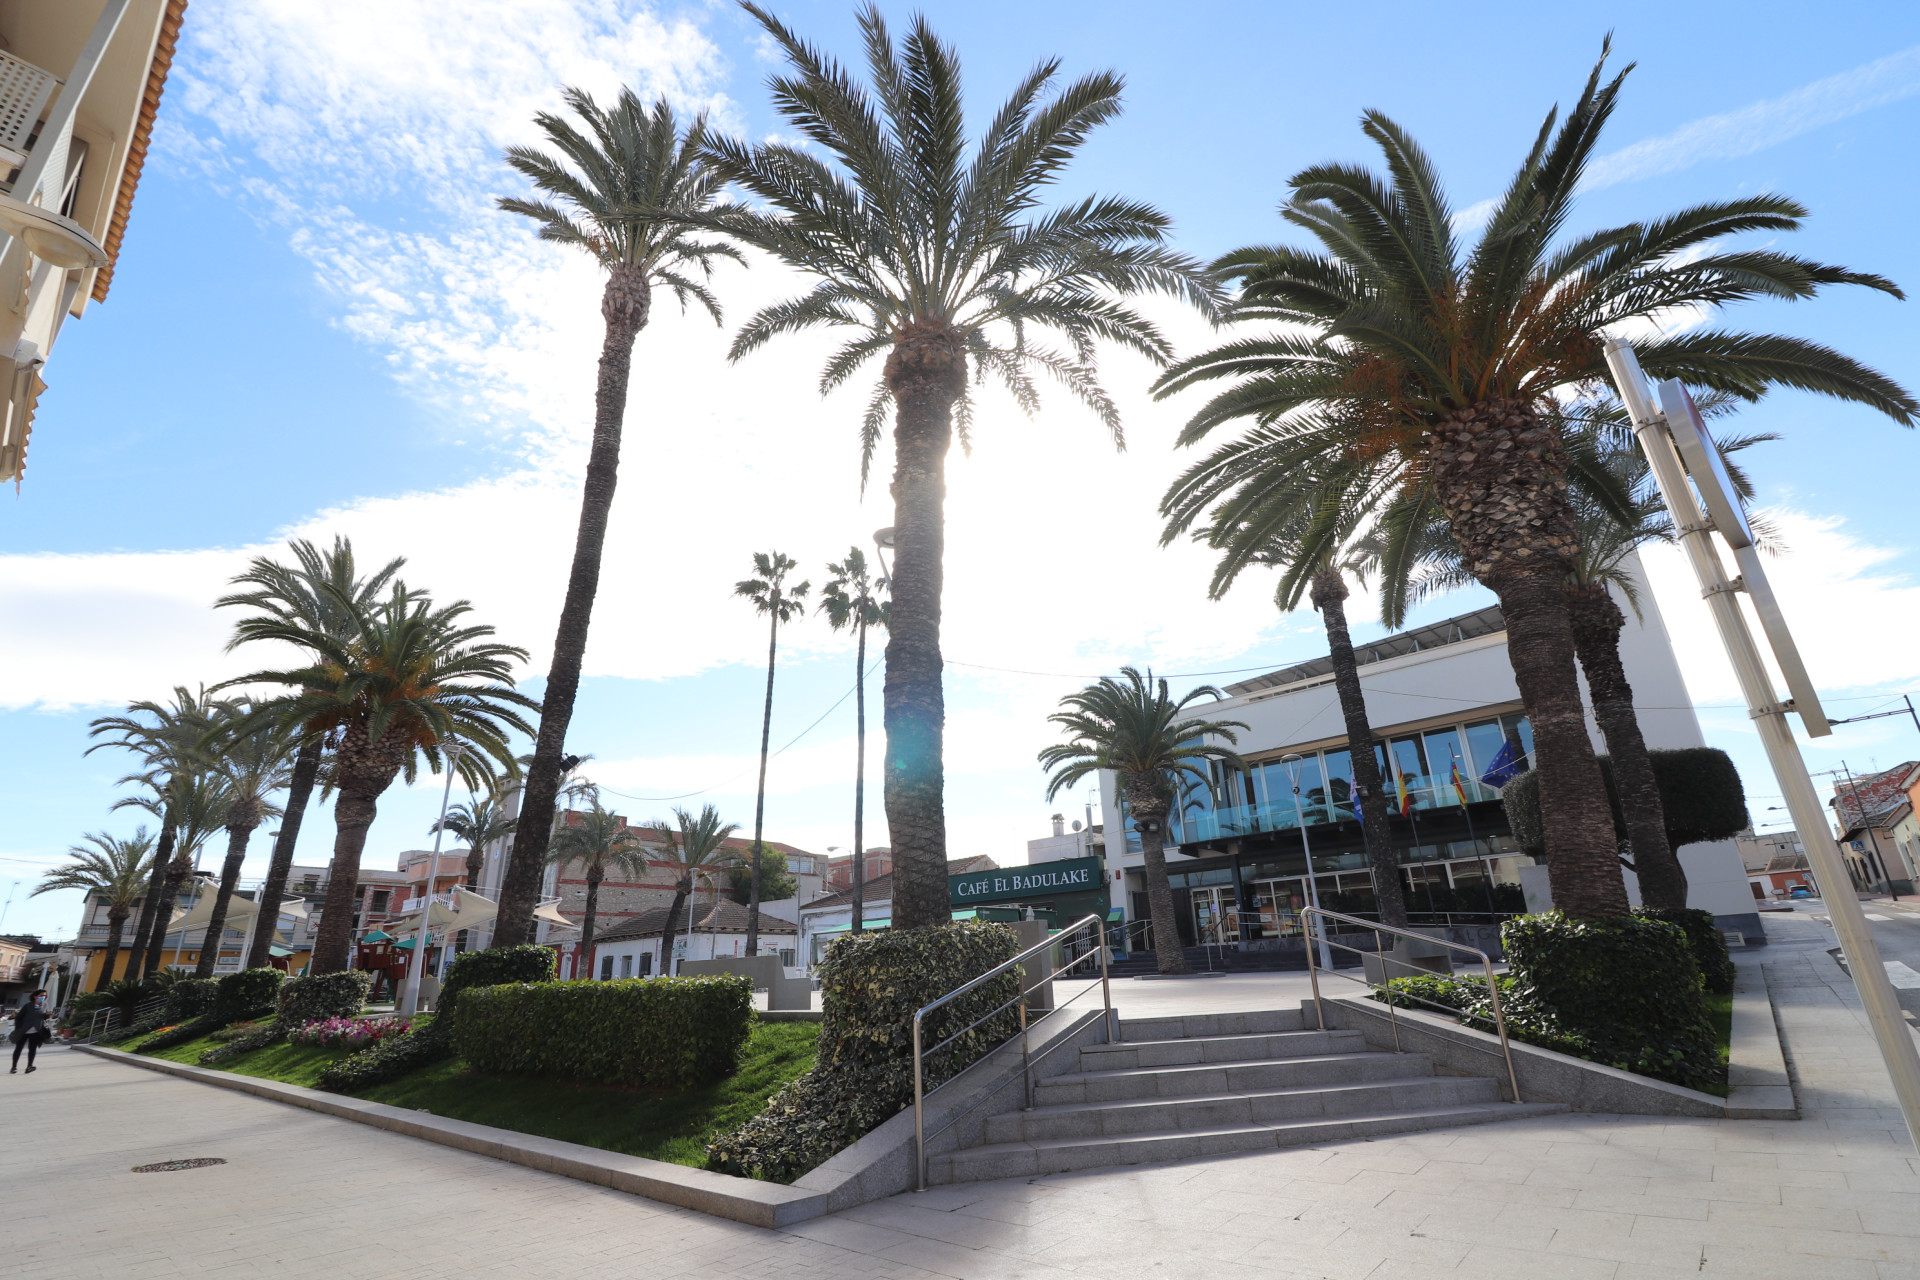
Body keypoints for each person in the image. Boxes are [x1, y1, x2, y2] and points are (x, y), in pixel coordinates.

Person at [10, 989, 51, 1074]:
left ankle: (29, 1066)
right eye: (41, 996)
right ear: (35, 996)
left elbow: (41, 1018)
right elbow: (18, 1018)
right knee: (18, 1048)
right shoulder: (28, 1006)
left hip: (35, 1032)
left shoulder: (44, 1006)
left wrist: (46, 1015)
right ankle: (14, 1067)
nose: (43, 997)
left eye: (44, 996)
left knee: (32, 1049)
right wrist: (19, 1029)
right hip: (24, 1031)